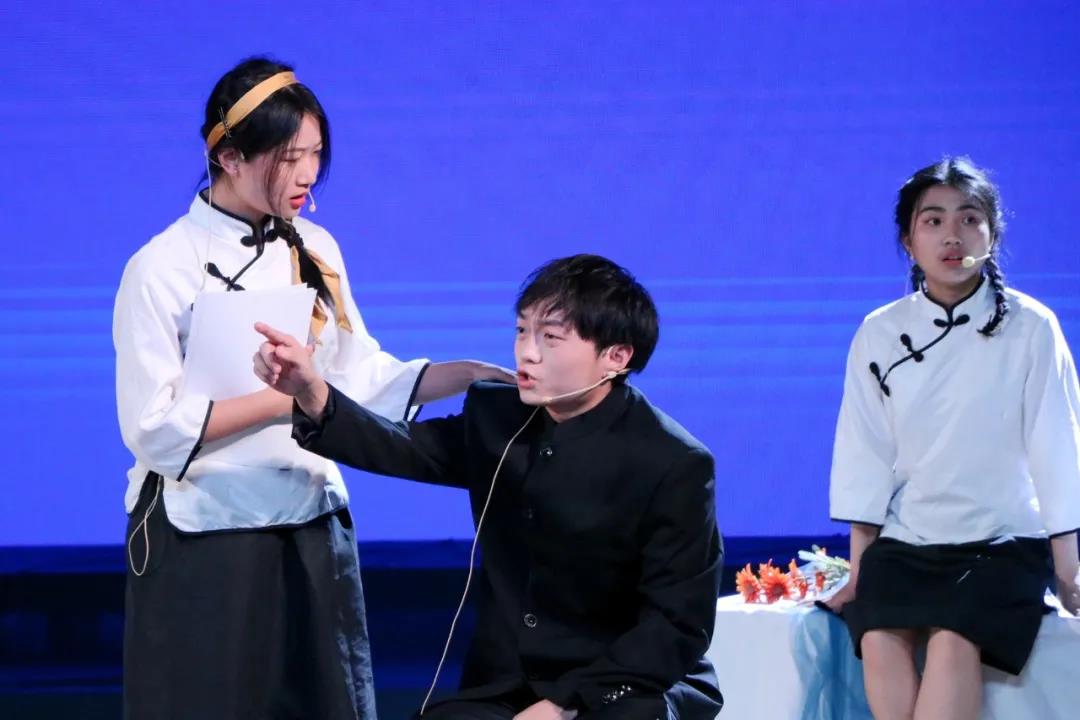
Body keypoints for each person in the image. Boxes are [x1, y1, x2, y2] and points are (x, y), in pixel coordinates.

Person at [114, 56, 511, 720]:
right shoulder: (160, 267)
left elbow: (361, 378)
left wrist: (466, 375)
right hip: (205, 534)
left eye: (316, 154)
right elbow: (154, 429)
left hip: (311, 524)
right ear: (229, 157)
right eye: (288, 157)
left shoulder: (315, 248)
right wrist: (291, 396)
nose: (307, 174)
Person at [254, 254, 725, 720]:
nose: (527, 352)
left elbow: (677, 623)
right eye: (522, 330)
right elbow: (403, 446)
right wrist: (312, 392)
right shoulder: (499, 416)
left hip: (622, 685)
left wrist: (565, 705)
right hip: (507, 685)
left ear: (615, 357)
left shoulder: (673, 462)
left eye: (551, 337)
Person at [825, 157, 1080, 719]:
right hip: (908, 538)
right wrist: (860, 571)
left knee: (952, 638)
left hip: (1002, 540)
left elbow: (1058, 447)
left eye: (969, 219)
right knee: (879, 634)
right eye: (933, 220)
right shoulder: (879, 332)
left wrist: (1068, 571)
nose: (952, 236)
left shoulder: (1032, 327)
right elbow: (865, 453)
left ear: (992, 234)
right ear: (908, 239)